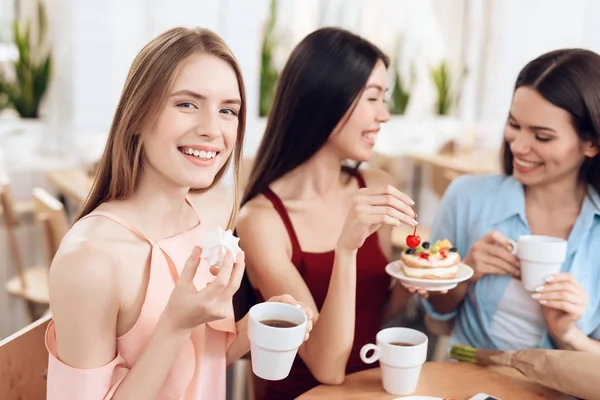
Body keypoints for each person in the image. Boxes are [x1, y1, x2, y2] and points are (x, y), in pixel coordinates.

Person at [45, 27, 311, 400]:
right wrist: (174, 324)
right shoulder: (89, 261)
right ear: (137, 116)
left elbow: (197, 370)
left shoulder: (201, 224)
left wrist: (251, 329)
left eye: (227, 111)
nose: (212, 129)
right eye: (187, 104)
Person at [235, 27, 419, 400]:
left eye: (384, 98)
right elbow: (327, 366)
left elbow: (376, 315)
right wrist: (346, 249)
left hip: (373, 391)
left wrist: (413, 284)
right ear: (326, 98)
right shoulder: (261, 221)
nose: (384, 114)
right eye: (372, 98)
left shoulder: (376, 186)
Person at [423, 48, 600, 353]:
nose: (518, 146)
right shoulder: (466, 197)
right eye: (514, 125)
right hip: (468, 386)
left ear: (591, 143)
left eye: (542, 137)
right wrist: (463, 273)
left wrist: (569, 335)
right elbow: (435, 315)